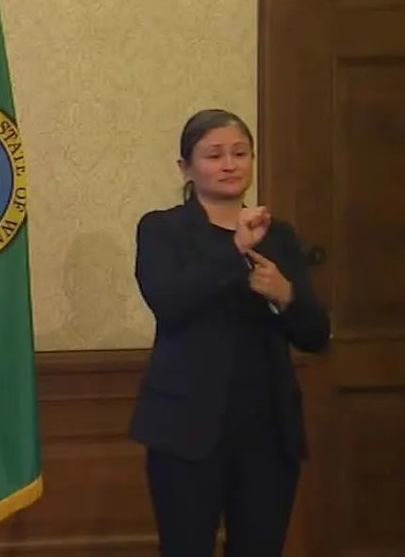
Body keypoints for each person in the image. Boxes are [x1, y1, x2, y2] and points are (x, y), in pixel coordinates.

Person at [129, 109, 331, 557]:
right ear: (186, 168)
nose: (229, 164)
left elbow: (316, 335)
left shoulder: (278, 235)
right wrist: (234, 249)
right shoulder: (162, 229)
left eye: (240, 154)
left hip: (268, 431)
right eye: (214, 155)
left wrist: (286, 294)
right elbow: (169, 302)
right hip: (187, 429)